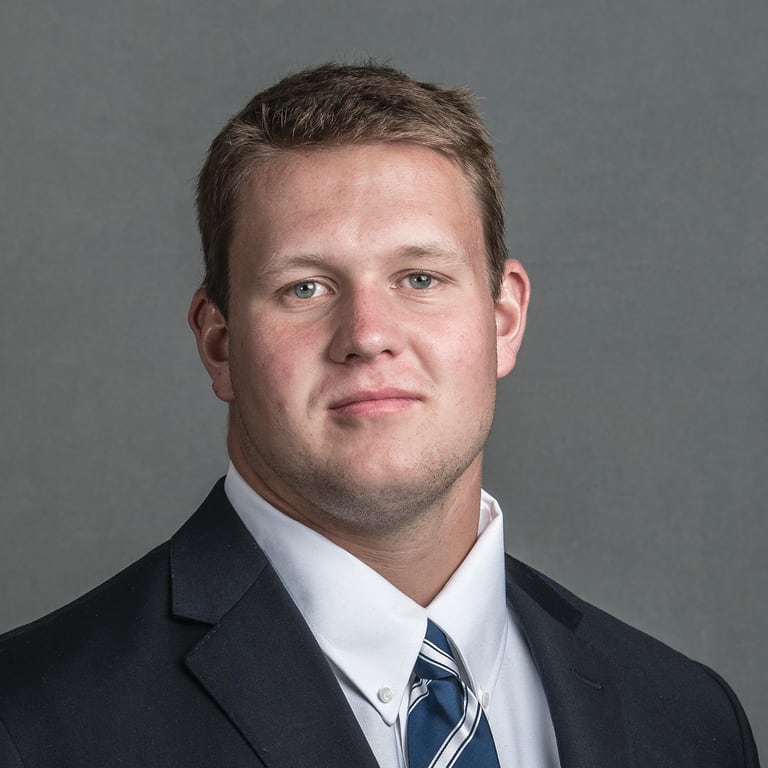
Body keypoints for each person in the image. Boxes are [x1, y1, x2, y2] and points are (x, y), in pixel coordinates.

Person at [0, 62, 759, 768]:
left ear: (503, 320)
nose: (367, 335)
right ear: (220, 343)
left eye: (419, 277)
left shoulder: (687, 719)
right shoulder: (32, 720)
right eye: (305, 288)